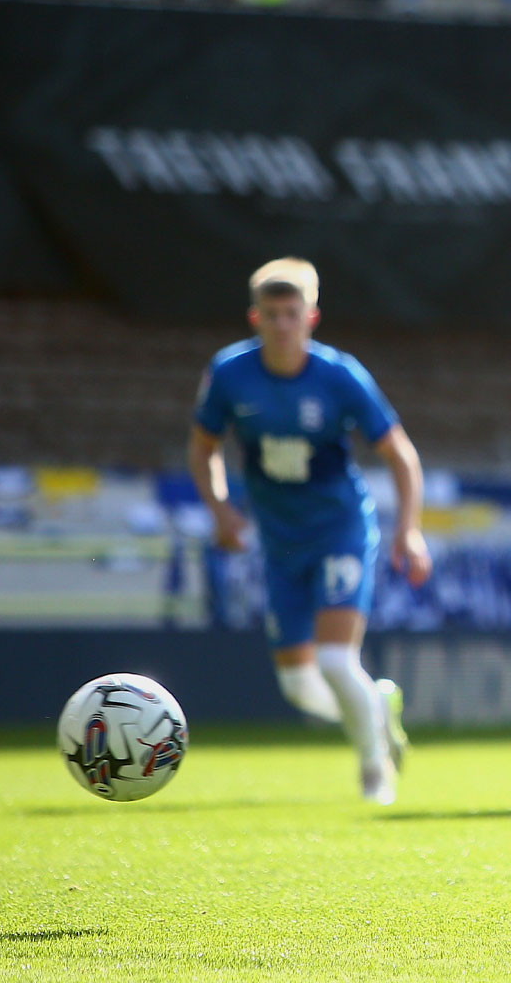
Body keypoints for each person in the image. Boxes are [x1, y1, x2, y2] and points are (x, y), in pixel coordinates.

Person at [187, 258, 431, 805]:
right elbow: (203, 449)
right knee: (299, 685)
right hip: (279, 541)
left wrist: (408, 530)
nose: (281, 326)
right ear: (255, 317)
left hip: (339, 529)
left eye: (291, 314)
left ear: (311, 317)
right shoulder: (229, 374)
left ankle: (375, 774)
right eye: (270, 315)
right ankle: (375, 708)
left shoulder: (340, 376)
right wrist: (221, 509)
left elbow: (401, 456)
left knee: (335, 659)